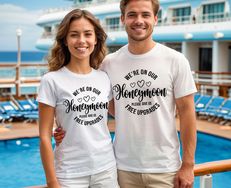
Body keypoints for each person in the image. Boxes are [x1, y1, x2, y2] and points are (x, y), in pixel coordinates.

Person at [55, 0, 197, 187]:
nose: (139, 20)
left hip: (165, 168)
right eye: (132, 15)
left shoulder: (176, 60)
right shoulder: (109, 63)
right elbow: (98, 104)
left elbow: (187, 113)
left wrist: (188, 164)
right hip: (121, 169)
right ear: (123, 19)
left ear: (155, 18)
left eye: (145, 15)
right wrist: (62, 128)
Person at [38, 9, 119, 188]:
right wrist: (52, 181)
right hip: (69, 173)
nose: (81, 41)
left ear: (96, 39)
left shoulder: (104, 77)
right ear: (65, 40)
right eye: (74, 35)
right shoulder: (51, 80)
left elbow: (121, 115)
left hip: (106, 169)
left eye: (88, 34)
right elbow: (44, 136)